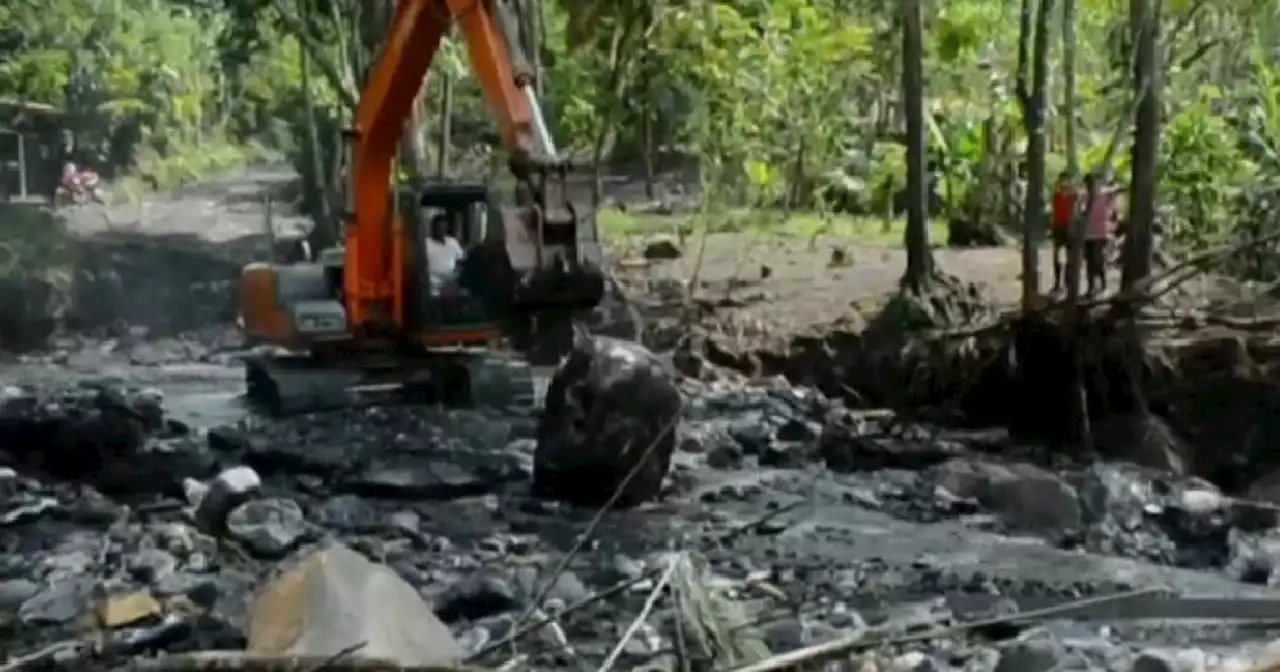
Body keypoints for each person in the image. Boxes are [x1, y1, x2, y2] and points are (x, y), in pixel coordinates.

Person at [1083, 173, 1118, 297]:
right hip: (1087, 234)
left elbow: (1116, 189)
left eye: (1092, 183)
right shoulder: (1085, 197)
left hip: (1101, 233)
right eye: (1088, 184)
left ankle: (1104, 287)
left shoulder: (1104, 195)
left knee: (1098, 260)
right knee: (1090, 262)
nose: (1090, 186)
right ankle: (1091, 287)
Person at [425, 213, 465, 296]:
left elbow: (461, 258)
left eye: (444, 228)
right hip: (433, 284)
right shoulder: (426, 244)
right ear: (433, 228)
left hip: (451, 282)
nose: (442, 231)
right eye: (439, 228)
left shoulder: (452, 242)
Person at [1050, 171, 1076, 292]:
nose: (1066, 182)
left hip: (1069, 227)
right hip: (1058, 227)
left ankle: (1068, 282)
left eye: (1068, 180)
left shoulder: (1073, 195)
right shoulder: (1056, 194)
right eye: (1064, 179)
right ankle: (1057, 282)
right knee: (1056, 255)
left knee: (1070, 256)